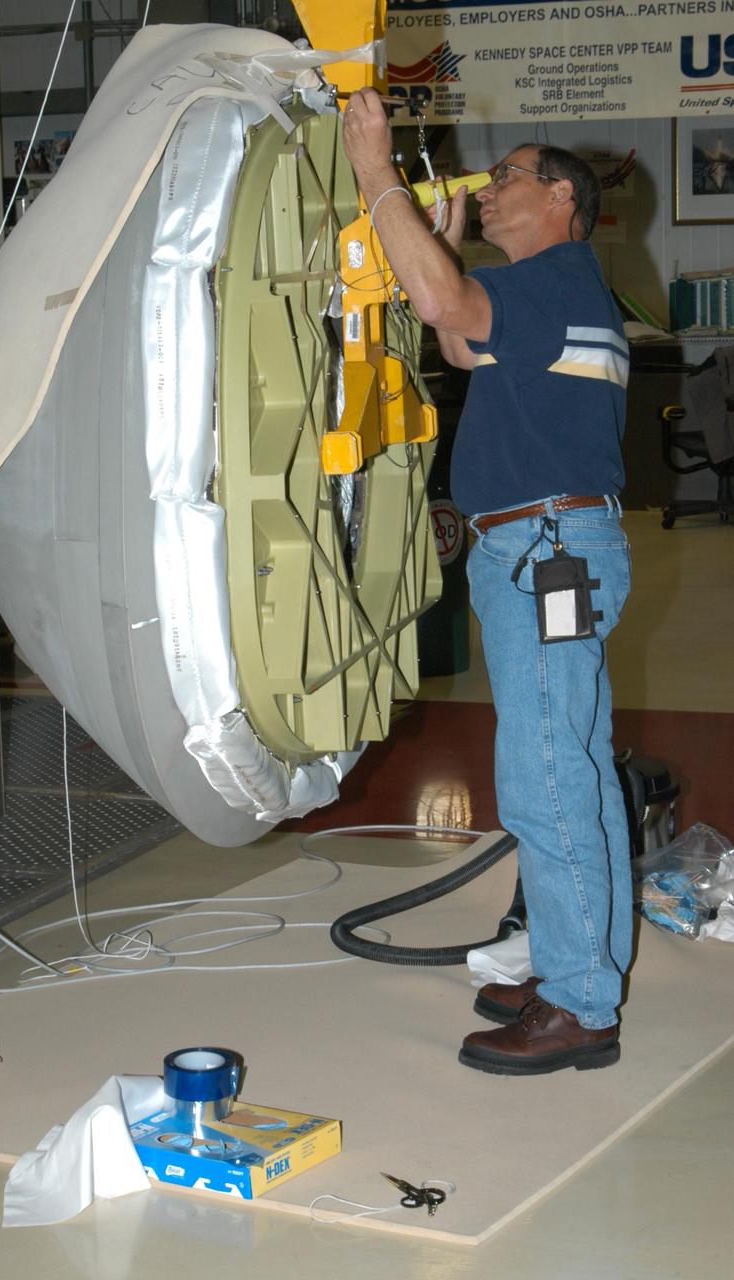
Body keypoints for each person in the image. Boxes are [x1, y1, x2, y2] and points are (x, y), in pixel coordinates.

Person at [342, 91, 632, 1076]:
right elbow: (463, 338)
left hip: (546, 548)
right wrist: (446, 246)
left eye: (507, 174)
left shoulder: (555, 277)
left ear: (560, 197)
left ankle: (579, 1003)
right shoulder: (554, 291)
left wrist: (377, 173)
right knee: (574, 769)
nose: (491, 184)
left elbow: (438, 309)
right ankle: (574, 962)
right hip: (546, 547)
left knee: (547, 783)